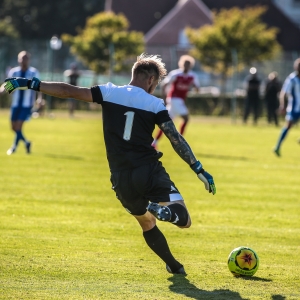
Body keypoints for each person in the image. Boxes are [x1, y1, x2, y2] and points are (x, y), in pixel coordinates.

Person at [3, 53, 216, 275]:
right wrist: (198, 168)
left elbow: (68, 91)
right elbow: (175, 139)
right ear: (151, 80)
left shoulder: (109, 91)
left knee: (146, 222)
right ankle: (167, 213)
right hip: (148, 170)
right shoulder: (155, 104)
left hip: (120, 176)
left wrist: (27, 83)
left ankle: (174, 266)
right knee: (183, 218)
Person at [152, 55, 200, 149]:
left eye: (188, 64)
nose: (186, 66)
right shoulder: (176, 74)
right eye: (185, 64)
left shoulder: (192, 76)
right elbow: (164, 84)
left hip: (179, 101)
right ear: (181, 64)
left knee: (166, 123)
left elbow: (197, 88)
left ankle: (154, 142)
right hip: (174, 99)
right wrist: (165, 98)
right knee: (186, 118)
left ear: (191, 65)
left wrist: (195, 88)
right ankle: (180, 141)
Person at [0, 51, 42, 155]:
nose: (24, 60)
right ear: (18, 60)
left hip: (27, 105)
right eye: (22, 58)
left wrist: (39, 99)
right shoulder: (14, 72)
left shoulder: (33, 72)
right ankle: (27, 143)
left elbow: (40, 87)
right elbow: (7, 86)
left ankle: (13, 147)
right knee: (13, 127)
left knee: (18, 127)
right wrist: (1, 91)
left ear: (29, 60)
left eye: (26, 58)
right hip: (15, 104)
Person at [273, 58, 300, 157]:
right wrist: (282, 105)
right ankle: (277, 146)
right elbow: (283, 93)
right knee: (288, 126)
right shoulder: (292, 79)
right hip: (294, 108)